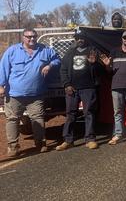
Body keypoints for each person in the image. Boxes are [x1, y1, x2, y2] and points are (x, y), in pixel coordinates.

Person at [0, 28, 61, 157]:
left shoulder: (44, 50)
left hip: (36, 94)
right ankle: (13, 147)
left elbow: (57, 59)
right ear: (23, 38)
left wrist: (49, 65)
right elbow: (3, 68)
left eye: (34, 36)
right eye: (29, 37)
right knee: (12, 120)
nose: (32, 39)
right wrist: (1, 85)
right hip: (14, 94)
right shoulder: (13, 51)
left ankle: (40, 143)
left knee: (37, 118)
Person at [56, 30, 101, 151]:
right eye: (77, 38)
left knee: (89, 113)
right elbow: (63, 70)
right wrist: (66, 85)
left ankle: (90, 139)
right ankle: (68, 140)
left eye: (82, 38)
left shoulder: (93, 51)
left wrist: (94, 63)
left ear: (86, 39)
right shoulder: (69, 53)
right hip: (72, 88)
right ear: (75, 39)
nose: (80, 40)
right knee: (70, 114)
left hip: (88, 87)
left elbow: (100, 70)